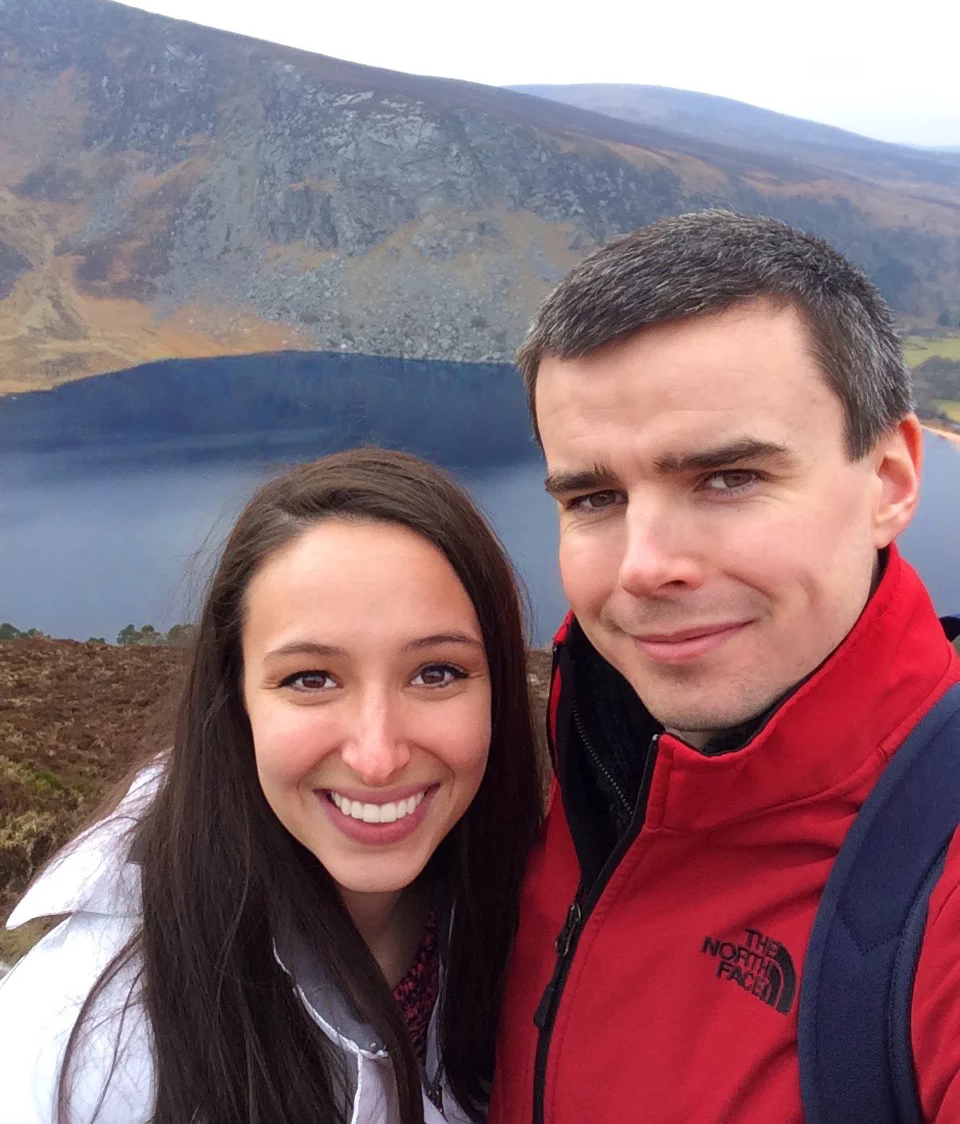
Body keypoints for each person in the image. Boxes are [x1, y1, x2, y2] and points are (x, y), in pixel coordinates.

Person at [488, 210, 960, 1124]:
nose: (643, 567)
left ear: (890, 481)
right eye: (595, 498)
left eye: (728, 478)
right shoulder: (567, 754)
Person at [0, 448, 542, 1124]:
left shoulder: (549, 930)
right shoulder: (81, 1039)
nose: (377, 758)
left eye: (437, 673)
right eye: (311, 679)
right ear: (236, 701)